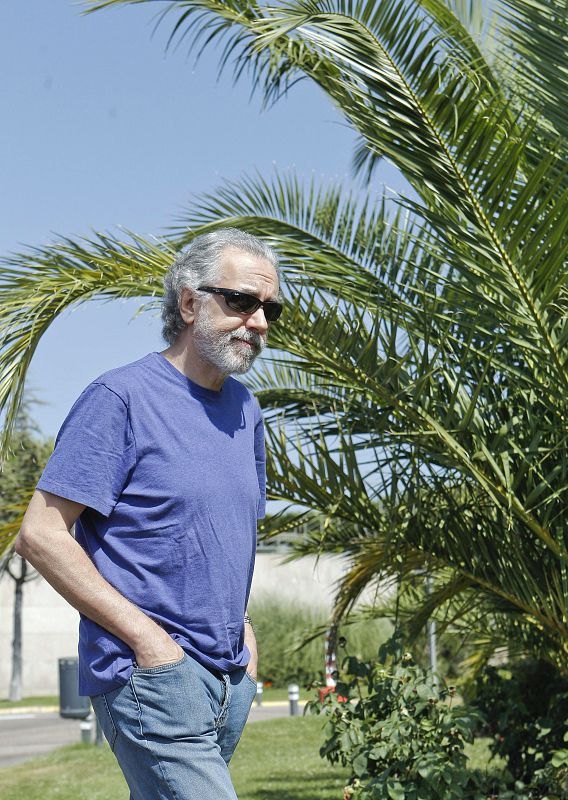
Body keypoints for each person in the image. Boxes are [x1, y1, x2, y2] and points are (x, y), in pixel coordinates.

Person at [15, 228, 282, 799]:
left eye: (269, 309)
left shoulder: (246, 412)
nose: (257, 321)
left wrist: (248, 635)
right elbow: (40, 534)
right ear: (189, 302)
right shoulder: (121, 399)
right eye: (240, 301)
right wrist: (149, 642)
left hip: (229, 676)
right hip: (153, 676)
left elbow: (227, 536)